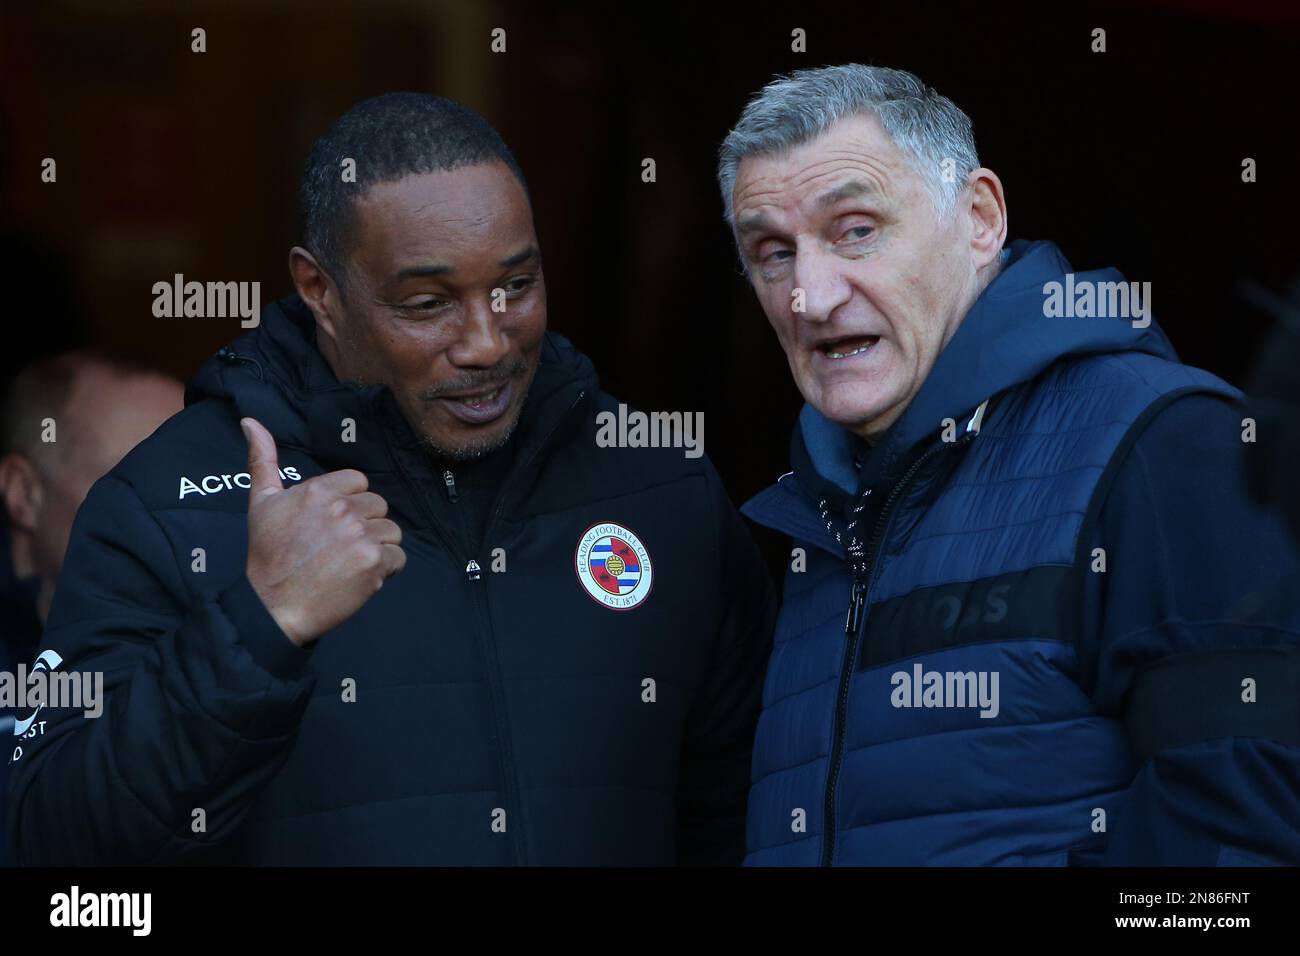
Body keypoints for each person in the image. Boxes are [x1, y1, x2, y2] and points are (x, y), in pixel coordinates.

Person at [6, 92, 775, 866]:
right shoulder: (166, 508)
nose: (485, 342)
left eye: (516, 285)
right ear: (320, 291)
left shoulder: (656, 483)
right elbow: (51, 846)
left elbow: (752, 818)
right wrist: (257, 627)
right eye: (427, 303)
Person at [719, 64, 1300, 865]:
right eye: (772, 251)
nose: (808, 297)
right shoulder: (810, 519)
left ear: (981, 219)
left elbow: (1243, 844)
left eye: (855, 229)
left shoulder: (1164, 445)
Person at [0, 350, 182, 865]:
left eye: (188, 488)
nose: (174, 520)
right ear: (23, 493)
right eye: (130, 486)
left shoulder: (233, 632)